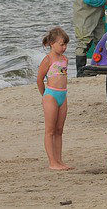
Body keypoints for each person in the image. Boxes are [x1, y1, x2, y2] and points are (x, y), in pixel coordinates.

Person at [37, 27, 71, 170]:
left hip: (63, 95)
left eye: (65, 45)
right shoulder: (48, 59)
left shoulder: (64, 59)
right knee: (50, 130)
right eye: (61, 44)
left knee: (59, 130)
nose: (64, 48)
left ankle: (59, 160)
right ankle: (52, 162)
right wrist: (45, 95)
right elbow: (39, 79)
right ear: (52, 43)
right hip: (51, 95)